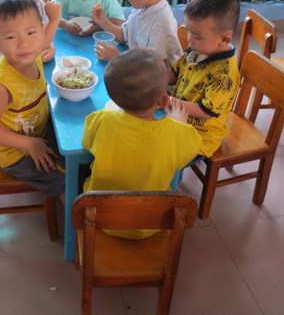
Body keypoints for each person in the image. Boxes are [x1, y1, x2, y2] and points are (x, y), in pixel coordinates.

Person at [81, 48, 202, 239]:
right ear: (164, 100)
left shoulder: (102, 119)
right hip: (152, 223)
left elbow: (86, 144)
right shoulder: (177, 133)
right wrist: (180, 123)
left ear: (113, 98)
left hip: (100, 218)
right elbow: (186, 157)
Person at [0, 0, 65, 202]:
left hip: (38, 131)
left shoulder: (31, 53)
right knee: (65, 181)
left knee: (77, 156)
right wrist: (30, 144)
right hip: (14, 152)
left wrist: (54, 20)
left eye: (31, 32)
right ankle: (76, 221)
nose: (24, 43)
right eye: (10, 37)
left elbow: (44, 41)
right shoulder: (0, 86)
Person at [168, 0, 241, 158]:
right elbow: (174, 74)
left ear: (223, 40)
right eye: (188, 31)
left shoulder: (224, 75)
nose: (189, 40)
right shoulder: (196, 51)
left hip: (200, 136)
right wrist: (152, 83)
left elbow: (206, 111)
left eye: (197, 36)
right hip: (177, 117)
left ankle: (171, 175)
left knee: (163, 153)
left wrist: (167, 101)